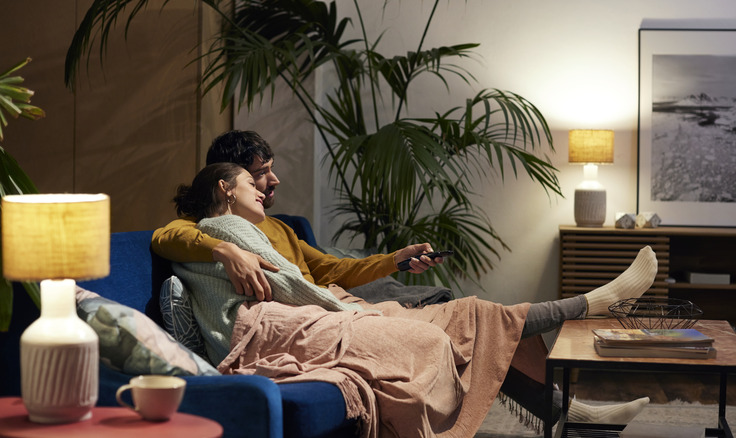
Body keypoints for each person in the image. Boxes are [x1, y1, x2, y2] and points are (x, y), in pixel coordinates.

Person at [156, 152, 658, 436]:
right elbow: (175, 240)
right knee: (470, 320)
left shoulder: (269, 227)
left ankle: (578, 390)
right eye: (257, 175)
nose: (270, 184)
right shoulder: (216, 231)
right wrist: (227, 249)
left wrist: (393, 261)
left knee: (472, 316)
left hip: (324, 300)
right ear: (226, 185)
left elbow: (328, 268)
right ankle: (590, 313)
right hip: (304, 313)